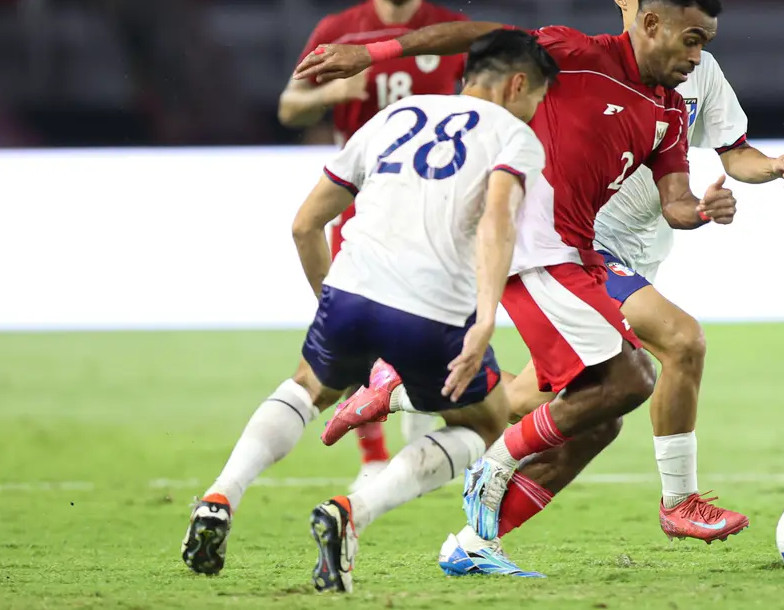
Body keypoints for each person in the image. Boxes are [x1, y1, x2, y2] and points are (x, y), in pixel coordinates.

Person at [296, 0, 737, 578]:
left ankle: (470, 529)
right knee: (636, 375)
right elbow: (473, 36)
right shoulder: (573, 52)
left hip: (576, 255)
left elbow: (675, 202)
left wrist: (706, 210)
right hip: (535, 245)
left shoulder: (669, 111)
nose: (697, 57)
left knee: (597, 420)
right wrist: (369, 54)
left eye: (706, 44)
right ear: (650, 23)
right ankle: (498, 466)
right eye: (691, 40)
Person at [432, 0, 784, 573]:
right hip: (584, 249)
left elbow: (717, 164)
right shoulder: (576, 59)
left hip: (642, 250)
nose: (691, 42)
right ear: (631, 3)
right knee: (679, 344)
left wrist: (766, 168)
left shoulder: (690, 80)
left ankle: (448, 478)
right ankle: (679, 500)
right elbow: (491, 68)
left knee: (557, 404)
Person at [181, 29, 556, 585]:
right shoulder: (514, 137)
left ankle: (219, 496)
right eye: (536, 99)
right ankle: (352, 513)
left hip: (352, 290)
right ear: (516, 84)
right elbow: (499, 219)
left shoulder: (393, 117)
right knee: (484, 422)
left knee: (309, 385)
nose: (533, 111)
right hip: (433, 310)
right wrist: (483, 319)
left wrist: (331, 303)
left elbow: (305, 224)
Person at [277, 0, 469, 486]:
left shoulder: (449, 31)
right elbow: (289, 106)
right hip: (361, 207)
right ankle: (372, 461)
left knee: (438, 325)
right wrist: (335, 89)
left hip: (437, 209)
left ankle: (419, 419)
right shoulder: (341, 29)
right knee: (356, 333)